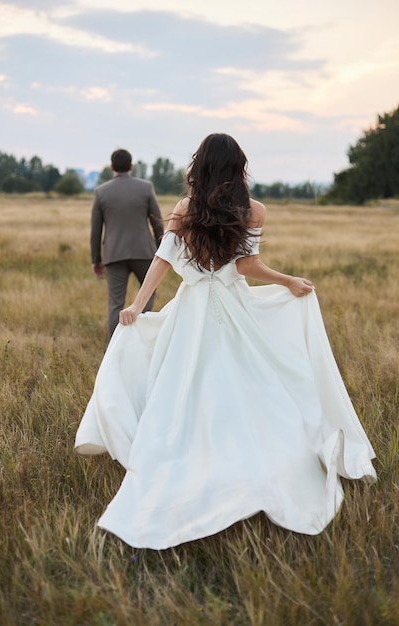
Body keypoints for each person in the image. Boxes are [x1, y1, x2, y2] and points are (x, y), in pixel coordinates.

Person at [76, 133, 376, 550]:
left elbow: (163, 263)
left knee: (186, 386)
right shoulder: (254, 209)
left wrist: (137, 305)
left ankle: (198, 458)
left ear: (200, 166)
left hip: (193, 307)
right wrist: (285, 279)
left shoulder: (185, 208)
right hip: (234, 304)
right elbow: (248, 265)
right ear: (238, 167)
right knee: (250, 380)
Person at [90, 148, 164, 337]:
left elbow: (96, 231)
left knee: (115, 303)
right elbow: (157, 222)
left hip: (114, 254)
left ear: (112, 167)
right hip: (144, 252)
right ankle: (140, 332)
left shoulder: (100, 192)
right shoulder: (146, 187)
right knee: (148, 293)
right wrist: (161, 251)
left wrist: (96, 260)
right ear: (131, 166)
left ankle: (116, 348)